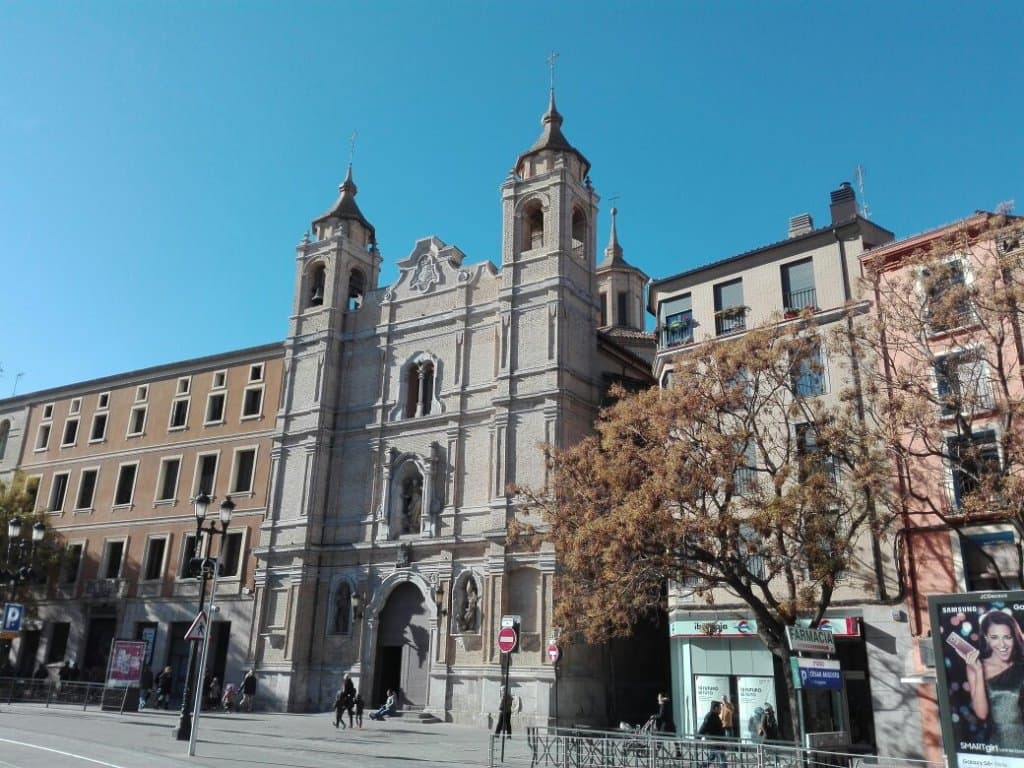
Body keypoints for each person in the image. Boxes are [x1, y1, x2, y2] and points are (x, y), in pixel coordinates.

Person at [965, 610, 1024, 748]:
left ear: (1014, 637)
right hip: (1000, 745)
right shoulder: (976, 667)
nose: (1002, 645)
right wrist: (979, 672)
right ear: (986, 638)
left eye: (1007, 637)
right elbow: (982, 714)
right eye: (994, 637)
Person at [698, 701, 725, 767]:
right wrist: (698, 738)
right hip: (714, 741)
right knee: (722, 758)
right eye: (720, 708)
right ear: (716, 708)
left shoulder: (715, 716)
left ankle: (702, 766)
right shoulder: (709, 717)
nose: (721, 710)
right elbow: (703, 728)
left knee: (712, 757)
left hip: (717, 741)